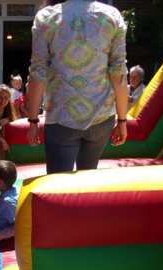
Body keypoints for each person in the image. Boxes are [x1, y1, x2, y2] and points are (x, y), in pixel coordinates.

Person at [26, 0, 129, 174]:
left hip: (61, 115)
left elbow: (38, 74)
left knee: (57, 184)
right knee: (87, 182)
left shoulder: (46, 18)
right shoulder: (111, 17)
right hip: (101, 116)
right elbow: (119, 73)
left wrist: (33, 120)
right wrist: (122, 120)